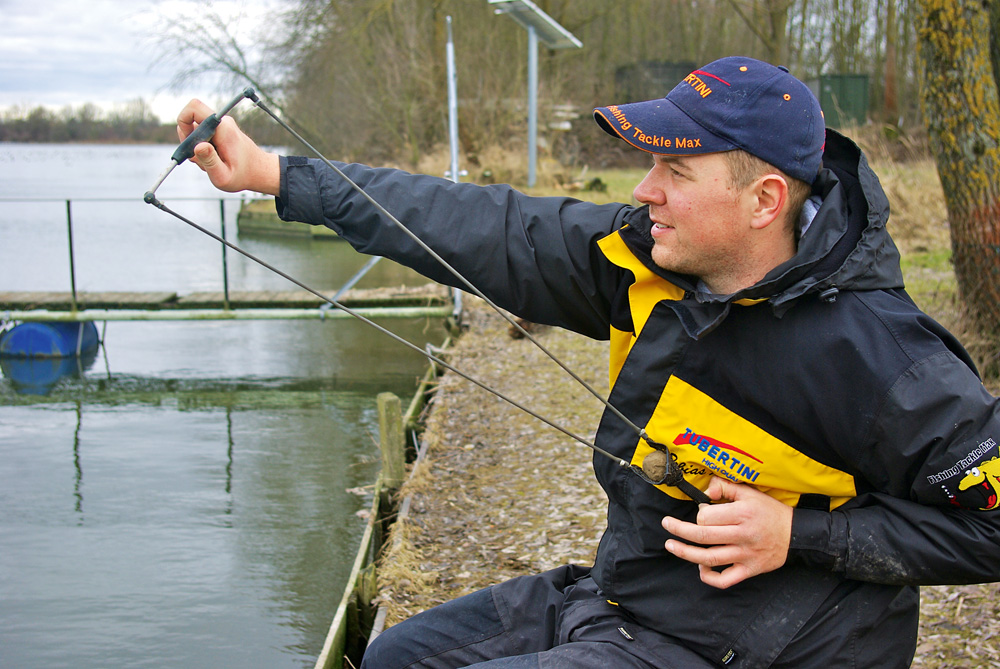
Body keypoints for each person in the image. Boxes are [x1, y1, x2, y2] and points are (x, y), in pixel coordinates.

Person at [177, 57, 1000, 668]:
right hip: (626, 599)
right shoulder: (650, 258)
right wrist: (275, 175)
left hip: (762, 646)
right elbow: (480, 224)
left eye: (675, 170)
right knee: (395, 657)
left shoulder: (885, 355)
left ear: (764, 201)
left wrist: (804, 533)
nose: (645, 191)